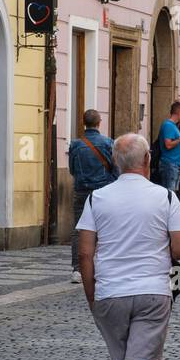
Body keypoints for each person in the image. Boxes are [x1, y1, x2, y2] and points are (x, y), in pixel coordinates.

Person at [76, 134, 180, 360]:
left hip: (110, 292)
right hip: (152, 292)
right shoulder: (164, 197)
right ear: (147, 160)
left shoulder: (97, 199)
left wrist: (92, 296)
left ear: (116, 162)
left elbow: (85, 253)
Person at [66, 108, 118, 283]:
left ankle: (77, 270)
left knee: (79, 229)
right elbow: (116, 167)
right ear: (99, 123)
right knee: (106, 228)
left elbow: (72, 169)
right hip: (104, 191)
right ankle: (105, 267)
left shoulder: (75, 145)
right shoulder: (108, 143)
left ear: (84, 123)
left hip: (81, 191)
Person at [156, 99, 180, 192]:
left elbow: (176, 144)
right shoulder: (168, 125)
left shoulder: (173, 126)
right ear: (179, 112)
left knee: (173, 193)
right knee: (170, 193)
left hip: (175, 164)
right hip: (169, 164)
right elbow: (168, 145)